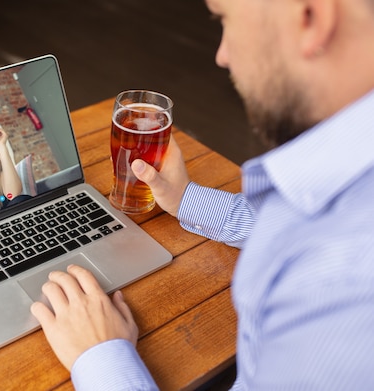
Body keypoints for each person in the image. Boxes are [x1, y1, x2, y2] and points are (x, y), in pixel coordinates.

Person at [30, 0, 374, 389]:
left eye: (225, 19)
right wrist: (185, 200)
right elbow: (303, 228)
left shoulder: (347, 290)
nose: (222, 55)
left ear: (310, 17)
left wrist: (101, 356)